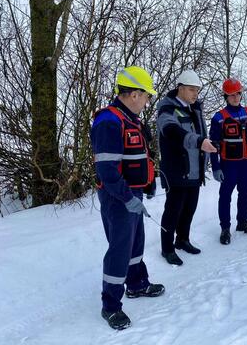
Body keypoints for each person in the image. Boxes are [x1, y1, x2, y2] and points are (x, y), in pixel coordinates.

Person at [91, 66, 165, 330]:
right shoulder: (108, 121)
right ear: (134, 94)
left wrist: (149, 182)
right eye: (146, 96)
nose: (147, 102)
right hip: (117, 196)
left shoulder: (132, 119)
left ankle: (136, 283)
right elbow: (107, 170)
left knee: (136, 243)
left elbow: (142, 156)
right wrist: (127, 197)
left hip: (132, 192)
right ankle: (110, 305)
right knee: (120, 249)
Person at [156, 69, 217, 265]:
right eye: (191, 90)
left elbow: (202, 134)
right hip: (176, 170)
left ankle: (182, 240)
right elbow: (171, 131)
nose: (195, 94)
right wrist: (198, 141)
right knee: (172, 212)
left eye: (197, 91)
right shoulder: (167, 109)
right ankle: (167, 248)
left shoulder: (195, 109)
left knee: (189, 209)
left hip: (194, 170)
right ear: (180, 88)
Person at [209, 78, 247, 245]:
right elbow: (213, 145)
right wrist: (215, 167)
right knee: (225, 196)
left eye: (238, 94)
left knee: (246, 193)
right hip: (229, 165)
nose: (235, 98)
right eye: (231, 95)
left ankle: (242, 222)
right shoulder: (219, 118)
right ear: (225, 96)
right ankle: (225, 228)